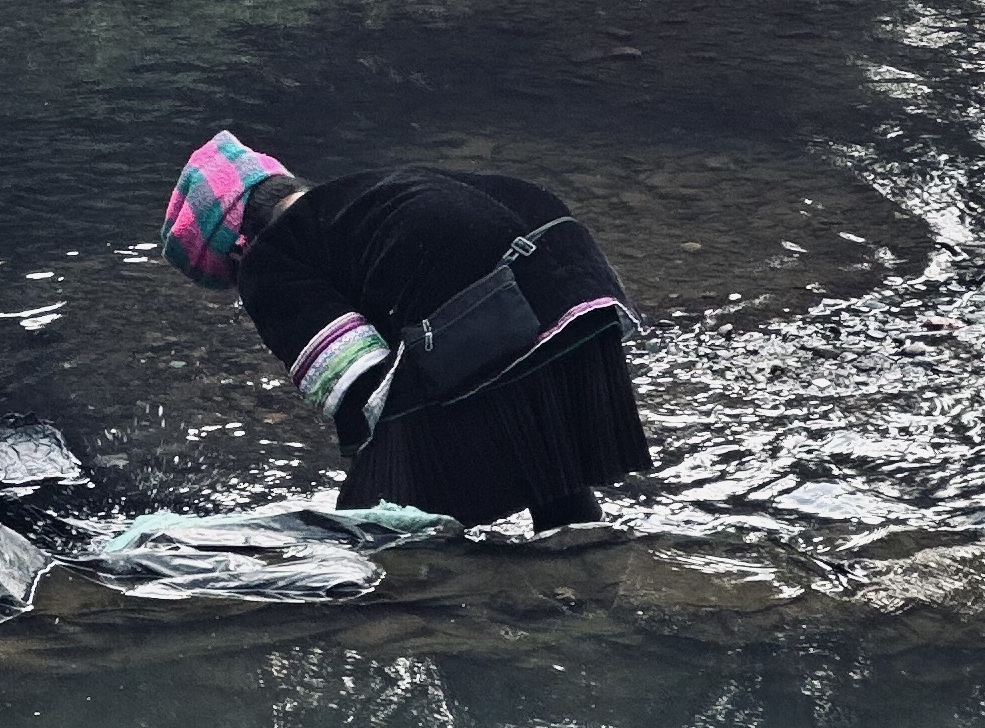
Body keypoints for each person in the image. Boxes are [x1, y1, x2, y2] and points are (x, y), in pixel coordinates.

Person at [163, 134, 651, 532]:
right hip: (582, 291)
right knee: (539, 439)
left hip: (496, 300)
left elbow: (353, 378)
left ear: (235, 250)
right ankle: (585, 553)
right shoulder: (361, 197)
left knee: (379, 517)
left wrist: (366, 488)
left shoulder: (268, 258)